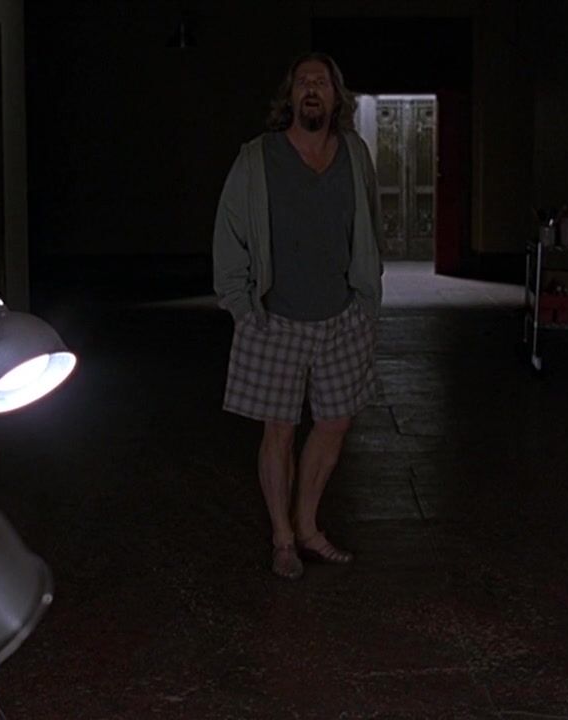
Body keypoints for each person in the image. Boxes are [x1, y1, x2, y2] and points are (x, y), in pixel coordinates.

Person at [212, 52, 383, 580]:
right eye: (303, 81)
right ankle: (282, 538)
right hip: (275, 319)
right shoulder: (257, 158)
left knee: (334, 422)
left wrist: (366, 301)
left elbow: (369, 224)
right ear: (290, 96)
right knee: (279, 431)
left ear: (336, 97)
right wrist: (243, 309)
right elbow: (229, 233)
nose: (312, 89)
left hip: (342, 318)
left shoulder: (354, 153)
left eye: (322, 82)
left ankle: (308, 526)